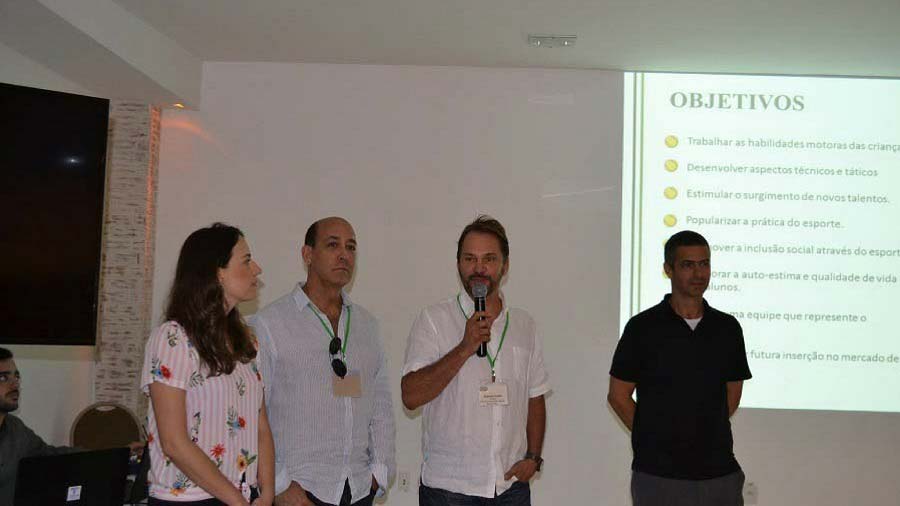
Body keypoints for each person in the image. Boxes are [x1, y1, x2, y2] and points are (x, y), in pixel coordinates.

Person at [401, 215, 550, 506]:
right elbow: (411, 396)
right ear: (458, 263)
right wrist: (465, 347)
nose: (479, 268)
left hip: (509, 487)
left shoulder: (524, 325)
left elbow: (535, 395)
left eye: (489, 259)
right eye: (470, 259)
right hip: (449, 489)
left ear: (505, 265)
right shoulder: (433, 320)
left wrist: (533, 457)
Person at [251, 217, 395, 506]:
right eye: (332, 245)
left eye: (351, 247)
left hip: (357, 488)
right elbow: (252, 409)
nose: (344, 255)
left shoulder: (367, 325)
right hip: (298, 489)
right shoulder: (269, 324)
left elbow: (380, 404)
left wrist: (380, 471)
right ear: (307, 254)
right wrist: (279, 484)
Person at [608, 230, 752, 506]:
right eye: (688, 265)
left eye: (704, 264)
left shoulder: (727, 328)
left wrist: (702, 433)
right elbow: (618, 395)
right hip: (659, 475)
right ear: (668, 269)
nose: (698, 274)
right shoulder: (643, 328)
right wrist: (652, 435)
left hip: (719, 474)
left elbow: (732, 395)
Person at [141, 223, 274, 505]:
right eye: (246, 261)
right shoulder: (172, 339)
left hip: (243, 495)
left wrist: (267, 492)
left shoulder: (247, 341)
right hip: (188, 499)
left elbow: (261, 426)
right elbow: (174, 443)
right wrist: (236, 500)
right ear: (217, 272)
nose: (257, 269)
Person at [0, 347, 76, 504]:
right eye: (3, 378)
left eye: (16, 376)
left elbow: (50, 456)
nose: (14, 385)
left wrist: (114, 451)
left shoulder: (15, 428)